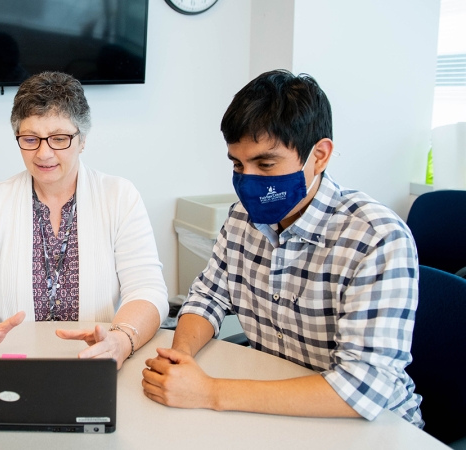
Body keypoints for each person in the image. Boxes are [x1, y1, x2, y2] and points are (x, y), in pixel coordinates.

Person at [142, 70, 423, 427]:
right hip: (278, 405)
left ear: (319, 156)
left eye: (266, 163)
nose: (249, 181)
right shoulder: (243, 217)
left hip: (370, 426)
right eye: (238, 165)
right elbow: (207, 297)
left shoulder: (376, 238)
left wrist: (209, 391)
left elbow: (362, 387)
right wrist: (180, 357)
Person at [0, 71, 168, 368]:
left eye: (59, 138)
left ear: (82, 139)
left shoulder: (119, 196)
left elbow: (147, 289)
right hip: (10, 365)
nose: (44, 153)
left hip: (95, 364)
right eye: (30, 139)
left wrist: (121, 340)